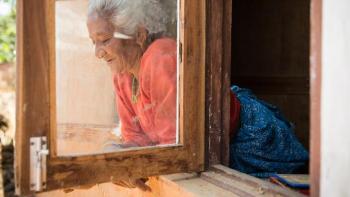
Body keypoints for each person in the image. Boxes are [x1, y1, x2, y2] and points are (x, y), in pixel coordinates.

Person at [87, 0, 177, 149]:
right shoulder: (122, 75)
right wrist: (120, 150)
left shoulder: (159, 58)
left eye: (105, 40)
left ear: (139, 35)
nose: (98, 53)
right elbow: (135, 136)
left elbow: (174, 144)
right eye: (94, 42)